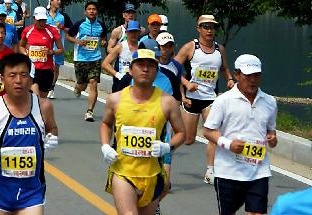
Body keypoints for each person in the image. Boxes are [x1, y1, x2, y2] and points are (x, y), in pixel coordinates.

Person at [100, 49, 185, 215]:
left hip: (152, 174)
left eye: (150, 66)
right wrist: (105, 145)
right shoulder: (115, 99)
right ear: (131, 70)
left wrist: (167, 147)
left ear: (156, 71)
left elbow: (182, 133)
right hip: (123, 172)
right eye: (140, 65)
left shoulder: (168, 102)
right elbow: (105, 124)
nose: (145, 69)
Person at [0, 53, 58, 215]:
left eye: (23, 75)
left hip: (32, 190)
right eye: (12, 75)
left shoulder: (44, 106)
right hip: (0, 189)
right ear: (2, 79)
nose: (18, 80)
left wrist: (51, 137)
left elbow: (52, 128)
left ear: (30, 79)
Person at [203, 55, 278, 215]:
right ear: (237, 75)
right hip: (228, 171)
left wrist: (272, 138)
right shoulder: (223, 101)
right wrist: (228, 144)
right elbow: (208, 131)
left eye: (256, 75)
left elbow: (271, 131)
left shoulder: (270, 101)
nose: (253, 80)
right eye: (248, 76)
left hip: (258, 170)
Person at [175, 14, 235, 184]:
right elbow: (173, 68)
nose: (209, 30)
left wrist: (229, 79)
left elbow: (224, 68)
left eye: (212, 27)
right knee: (188, 140)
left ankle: (211, 171)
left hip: (211, 99)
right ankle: (168, 147)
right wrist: (186, 84)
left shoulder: (219, 49)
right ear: (199, 29)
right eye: (206, 27)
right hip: (192, 99)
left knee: (213, 135)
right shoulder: (190, 48)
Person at [66, 1, 107, 122]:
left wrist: (104, 42)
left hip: (95, 58)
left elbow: (104, 37)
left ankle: (90, 111)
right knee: (83, 86)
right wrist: (77, 41)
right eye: (89, 9)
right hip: (80, 58)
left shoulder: (101, 25)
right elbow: (68, 36)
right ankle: (78, 87)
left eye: (94, 9)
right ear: (85, 12)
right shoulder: (79, 24)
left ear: (97, 11)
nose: (91, 11)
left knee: (93, 82)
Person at [19, 7, 63, 98]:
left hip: (47, 70)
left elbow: (61, 49)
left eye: (44, 20)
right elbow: (21, 46)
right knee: (35, 96)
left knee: (42, 100)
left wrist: (51, 52)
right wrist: (25, 54)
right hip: (31, 69)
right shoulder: (27, 30)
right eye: (39, 20)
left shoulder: (52, 30)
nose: (42, 23)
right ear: (34, 18)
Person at [103, 20, 142, 92]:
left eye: (136, 32)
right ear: (126, 33)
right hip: (121, 83)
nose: (133, 34)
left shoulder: (142, 46)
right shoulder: (120, 46)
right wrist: (118, 75)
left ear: (139, 33)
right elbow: (105, 64)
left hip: (136, 84)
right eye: (131, 31)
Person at [44, 0, 67, 99]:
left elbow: (70, 30)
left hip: (58, 46)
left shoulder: (62, 17)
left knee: (55, 69)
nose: (59, 2)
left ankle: (51, 88)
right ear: (51, 1)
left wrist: (61, 27)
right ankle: (46, 86)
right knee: (48, 68)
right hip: (46, 45)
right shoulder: (44, 15)